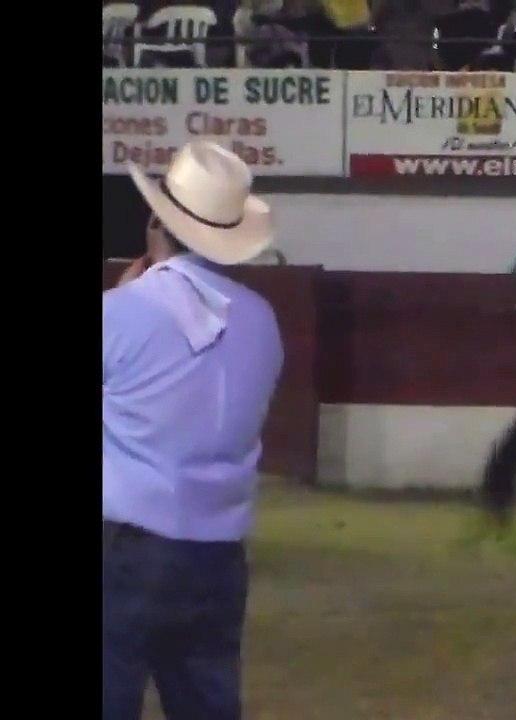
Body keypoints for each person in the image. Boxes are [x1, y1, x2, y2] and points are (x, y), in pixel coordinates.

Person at [103, 140, 285, 720]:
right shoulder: (262, 319)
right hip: (218, 554)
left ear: (157, 225)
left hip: (129, 546)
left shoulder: (121, 312)